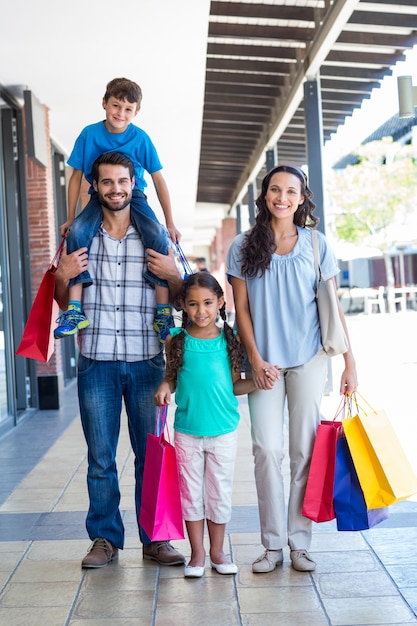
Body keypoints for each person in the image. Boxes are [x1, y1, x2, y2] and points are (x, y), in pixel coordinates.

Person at [55, 151, 185, 569]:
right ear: (96, 186)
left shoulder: (154, 237)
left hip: (147, 362)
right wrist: (61, 278)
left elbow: (189, 296)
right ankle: (104, 538)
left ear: (134, 184)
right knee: (100, 458)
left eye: (122, 182)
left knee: (152, 455)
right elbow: (63, 299)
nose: (115, 189)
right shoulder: (80, 236)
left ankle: (156, 539)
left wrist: (173, 275)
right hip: (97, 363)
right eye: (107, 182)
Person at [226, 164, 358, 573]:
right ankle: (271, 545)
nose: (282, 197)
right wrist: (256, 358)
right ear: (264, 194)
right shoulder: (243, 245)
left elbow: (333, 308)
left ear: (302, 199)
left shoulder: (317, 245)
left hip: (308, 359)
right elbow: (241, 309)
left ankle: (299, 542)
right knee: (266, 449)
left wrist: (350, 362)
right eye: (275, 190)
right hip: (264, 364)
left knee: (304, 451)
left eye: (291, 192)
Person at [55, 77, 180, 344]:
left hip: (133, 196)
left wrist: (170, 222)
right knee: (78, 232)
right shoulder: (89, 134)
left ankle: (162, 312)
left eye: (128, 109)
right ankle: (75, 310)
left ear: (136, 112)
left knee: (157, 236)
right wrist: (70, 216)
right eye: (116, 106)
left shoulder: (140, 138)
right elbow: (75, 176)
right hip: (96, 194)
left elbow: (158, 180)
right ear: (104, 103)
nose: (120, 114)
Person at [154, 272, 255, 578]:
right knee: (191, 494)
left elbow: (235, 385)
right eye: (194, 304)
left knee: (219, 493)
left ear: (221, 302)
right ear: (183, 305)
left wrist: (258, 383)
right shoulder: (178, 341)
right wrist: (164, 387)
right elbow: (171, 376)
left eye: (208, 303)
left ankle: (217, 552)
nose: (201, 311)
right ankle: (197, 554)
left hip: (224, 431)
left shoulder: (230, 341)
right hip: (187, 432)